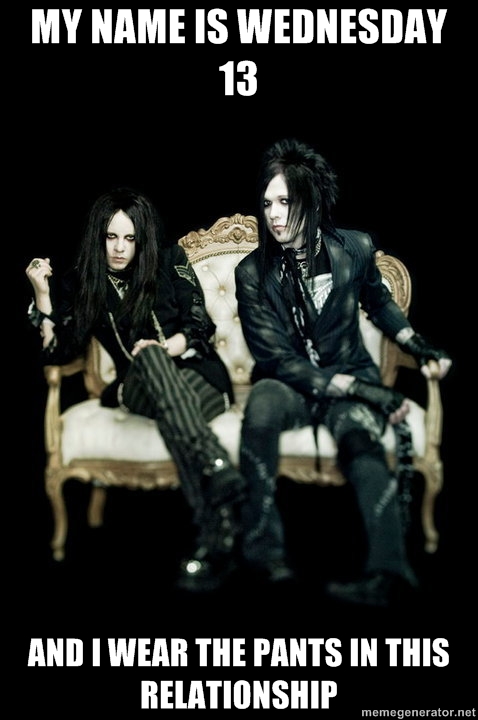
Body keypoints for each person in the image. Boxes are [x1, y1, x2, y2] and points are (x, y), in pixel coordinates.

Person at [234, 138, 452, 607]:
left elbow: (379, 303)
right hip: (290, 383)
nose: (274, 215)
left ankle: (388, 572)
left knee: (359, 438)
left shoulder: (354, 248)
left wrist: (417, 344)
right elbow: (274, 358)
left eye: (285, 202)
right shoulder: (251, 272)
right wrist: (364, 391)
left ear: (311, 202)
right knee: (261, 407)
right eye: (267, 203)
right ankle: (264, 555)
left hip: (348, 372)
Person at [25, 186, 246, 592]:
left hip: (198, 378)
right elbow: (59, 351)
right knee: (147, 364)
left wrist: (164, 348)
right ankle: (215, 465)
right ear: (99, 237)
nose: (119, 248)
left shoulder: (170, 261)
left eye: (129, 238)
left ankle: (213, 539)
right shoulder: (84, 282)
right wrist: (42, 292)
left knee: (168, 400)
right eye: (111, 237)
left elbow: (200, 325)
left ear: (141, 238)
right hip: (136, 387)